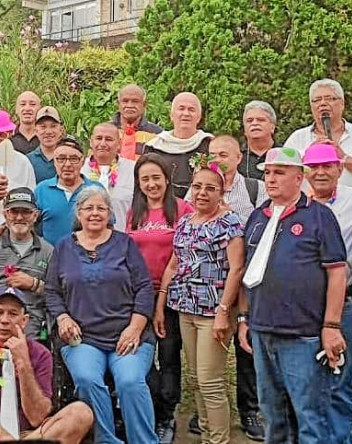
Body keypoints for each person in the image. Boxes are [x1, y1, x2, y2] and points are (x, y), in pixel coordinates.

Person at [237, 147, 348, 444]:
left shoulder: (319, 217)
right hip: (262, 330)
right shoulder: (258, 217)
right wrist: (244, 317)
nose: (271, 179)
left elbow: (337, 273)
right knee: (272, 412)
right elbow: (248, 271)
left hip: (303, 334)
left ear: (299, 177)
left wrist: (332, 326)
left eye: (280, 173)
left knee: (310, 414)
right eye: (268, 173)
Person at [46, 186, 157, 444]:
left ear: (109, 213)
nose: (95, 213)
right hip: (83, 337)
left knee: (130, 381)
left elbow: (144, 288)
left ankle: (144, 441)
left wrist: (135, 328)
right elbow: (52, 291)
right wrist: (63, 317)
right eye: (88, 208)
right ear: (78, 213)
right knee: (86, 378)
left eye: (101, 208)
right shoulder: (63, 247)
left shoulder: (125, 244)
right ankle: (106, 440)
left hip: (128, 334)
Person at [157, 158, 245, 444]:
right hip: (184, 308)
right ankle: (207, 433)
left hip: (213, 311)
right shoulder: (185, 221)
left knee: (211, 381)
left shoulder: (230, 223)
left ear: (221, 193)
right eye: (197, 187)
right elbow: (174, 264)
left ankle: (218, 439)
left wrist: (223, 312)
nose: (202, 193)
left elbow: (237, 268)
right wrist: (161, 302)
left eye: (210, 188)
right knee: (195, 378)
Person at [0, 287, 94, 443]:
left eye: (13, 314)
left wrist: (23, 364)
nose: (4, 320)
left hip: (31, 437)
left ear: (24, 321)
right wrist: (3, 437)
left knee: (81, 413)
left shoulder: (40, 353)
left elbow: (37, 417)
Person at [302, 142, 352, 439]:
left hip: (344, 301)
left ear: (340, 169)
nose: (320, 173)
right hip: (303, 304)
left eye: (327, 166)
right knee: (306, 379)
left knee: (341, 376)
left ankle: (342, 437)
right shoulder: (296, 201)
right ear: (304, 172)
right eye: (313, 167)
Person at [125, 153, 192, 443]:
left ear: (167, 179)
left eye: (156, 177)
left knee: (168, 356)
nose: (151, 184)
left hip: (172, 296)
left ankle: (166, 416)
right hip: (138, 295)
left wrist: (163, 299)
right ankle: (144, 409)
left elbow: (185, 255)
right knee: (139, 355)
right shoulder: (134, 212)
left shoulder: (183, 209)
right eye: (145, 179)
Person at [205, 135, 266, 441]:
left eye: (224, 154)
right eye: (213, 154)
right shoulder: (198, 188)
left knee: (247, 345)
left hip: (249, 279)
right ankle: (210, 410)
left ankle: (250, 408)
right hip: (211, 280)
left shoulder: (256, 188)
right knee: (212, 346)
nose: (218, 159)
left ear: (239, 157)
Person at [0, 187, 54, 337]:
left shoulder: (48, 251)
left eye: (26, 212)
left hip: (28, 314)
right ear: (5, 214)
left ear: (35, 216)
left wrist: (33, 283)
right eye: (14, 212)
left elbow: (55, 292)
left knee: (29, 349)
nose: (20, 217)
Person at [283, 78, 352, 188]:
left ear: (342, 103)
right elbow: (283, 177)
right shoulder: (297, 138)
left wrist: (344, 158)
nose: (323, 103)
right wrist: (309, 156)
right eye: (317, 100)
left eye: (329, 99)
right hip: (310, 203)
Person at [145, 92, 213, 197]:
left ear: (199, 117)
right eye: (181, 108)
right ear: (171, 115)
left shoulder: (209, 145)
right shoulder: (154, 147)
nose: (186, 113)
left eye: (191, 109)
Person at [33, 137, 100, 245]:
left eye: (74, 159)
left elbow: (108, 226)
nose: (67, 164)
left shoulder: (96, 190)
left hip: (88, 258)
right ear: (54, 161)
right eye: (61, 159)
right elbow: (31, 224)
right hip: (52, 258)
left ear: (82, 161)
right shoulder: (42, 189)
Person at [81, 122, 135, 231]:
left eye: (109, 139)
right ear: (91, 142)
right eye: (99, 138)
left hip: (122, 240)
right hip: (85, 240)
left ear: (119, 144)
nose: (103, 143)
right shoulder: (80, 168)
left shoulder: (133, 170)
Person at [111, 84, 164, 159]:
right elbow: (92, 162)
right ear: (118, 104)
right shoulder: (104, 131)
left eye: (135, 101)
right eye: (125, 101)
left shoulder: (157, 134)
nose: (130, 105)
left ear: (144, 105)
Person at [239, 100, 279, 180]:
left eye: (260, 120)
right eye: (249, 121)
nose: (254, 123)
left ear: (272, 127)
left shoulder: (282, 154)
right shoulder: (237, 157)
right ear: (244, 130)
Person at [26, 106, 66, 183]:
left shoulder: (69, 159)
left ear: (61, 130)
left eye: (53, 126)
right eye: (43, 127)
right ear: (36, 131)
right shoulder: (28, 161)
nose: (48, 132)